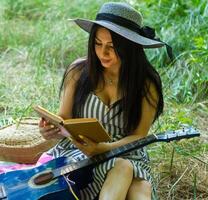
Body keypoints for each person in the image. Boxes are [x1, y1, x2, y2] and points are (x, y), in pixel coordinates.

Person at [39, 2, 171, 200]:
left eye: (112, 46)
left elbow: (139, 136)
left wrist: (105, 148)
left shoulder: (146, 83)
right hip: (80, 151)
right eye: (98, 44)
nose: (103, 53)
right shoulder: (78, 72)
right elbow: (64, 119)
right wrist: (51, 129)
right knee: (121, 169)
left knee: (140, 192)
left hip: (128, 150)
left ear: (130, 47)